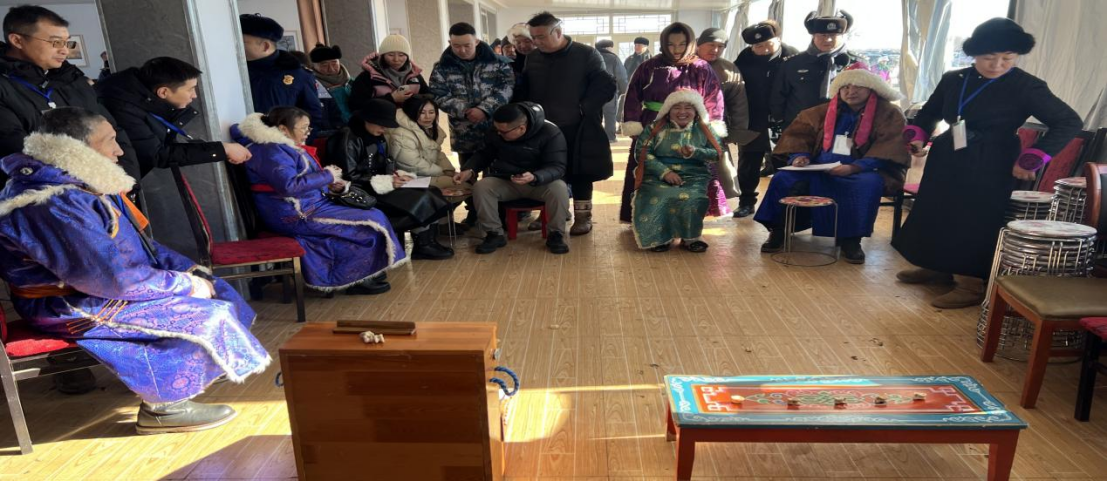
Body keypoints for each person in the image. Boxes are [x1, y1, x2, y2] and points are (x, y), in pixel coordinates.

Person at [0, 107, 270, 434]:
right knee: (202, 314)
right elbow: (108, 279)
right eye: (109, 141)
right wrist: (184, 286)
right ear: (76, 148)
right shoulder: (52, 201)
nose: (119, 151)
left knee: (216, 288)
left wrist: (190, 273)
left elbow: (143, 247)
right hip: (65, 303)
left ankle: (206, 364)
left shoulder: (79, 183)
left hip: (102, 287)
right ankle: (164, 409)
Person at [894, 18, 1082, 308]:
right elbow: (929, 112)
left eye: (1007, 58)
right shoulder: (954, 79)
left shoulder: (1027, 86)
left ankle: (969, 284)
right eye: (989, 57)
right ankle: (937, 266)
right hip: (948, 155)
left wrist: (1033, 158)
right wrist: (919, 136)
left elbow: (1069, 121)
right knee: (936, 210)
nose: (997, 65)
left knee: (973, 219)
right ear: (975, 54)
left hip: (992, 158)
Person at [232, 107, 406, 294]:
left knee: (374, 215)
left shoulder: (283, 146)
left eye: (309, 127)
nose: (308, 132)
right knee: (369, 222)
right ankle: (355, 277)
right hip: (293, 214)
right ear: (283, 129)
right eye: (303, 128)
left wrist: (331, 184)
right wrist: (327, 175)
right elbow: (289, 186)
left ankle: (365, 271)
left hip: (310, 206)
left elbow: (301, 182)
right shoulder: (270, 151)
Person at [756, 64, 909, 264]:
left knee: (866, 184)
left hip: (865, 169)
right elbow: (799, 136)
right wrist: (800, 156)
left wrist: (855, 167)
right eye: (845, 87)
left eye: (858, 87)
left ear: (871, 88)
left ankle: (851, 239)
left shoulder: (889, 113)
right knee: (783, 178)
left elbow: (890, 146)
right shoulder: (819, 111)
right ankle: (778, 230)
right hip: (817, 167)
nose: (851, 91)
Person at [1, 5, 139, 184]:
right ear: (17, 41)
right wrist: (89, 188)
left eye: (67, 43)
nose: (65, 50)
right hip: (54, 194)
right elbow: (18, 152)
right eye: (55, 42)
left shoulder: (72, 80)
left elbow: (112, 130)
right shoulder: (6, 88)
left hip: (108, 186)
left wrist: (127, 181)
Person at [515, 12, 616, 236]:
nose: (536, 42)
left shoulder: (586, 54)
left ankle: (583, 217)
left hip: (577, 125)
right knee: (547, 171)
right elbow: (527, 88)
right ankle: (552, 213)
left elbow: (605, 86)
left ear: (558, 32)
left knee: (581, 173)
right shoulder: (533, 57)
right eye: (533, 37)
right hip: (543, 128)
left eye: (541, 36)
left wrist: (585, 108)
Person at [620, 22, 726, 223]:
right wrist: (634, 124)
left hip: (691, 128)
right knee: (650, 168)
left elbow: (714, 99)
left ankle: (690, 220)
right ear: (663, 44)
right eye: (671, 44)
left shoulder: (702, 68)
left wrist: (711, 128)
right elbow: (632, 95)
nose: (676, 49)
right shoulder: (649, 67)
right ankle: (649, 218)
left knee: (692, 170)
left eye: (682, 44)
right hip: (654, 126)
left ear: (690, 43)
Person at [326, 99, 455, 260]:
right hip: (361, 190)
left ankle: (426, 241)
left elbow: (384, 164)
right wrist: (387, 181)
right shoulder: (347, 138)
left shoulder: (376, 135)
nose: (385, 129)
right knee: (422, 198)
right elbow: (347, 176)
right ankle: (423, 244)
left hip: (379, 184)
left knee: (432, 191)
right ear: (368, 119)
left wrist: (398, 176)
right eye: (382, 125)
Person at [96, 56, 253, 180]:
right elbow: (158, 154)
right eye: (190, 89)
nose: (194, 95)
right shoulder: (123, 108)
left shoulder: (136, 92)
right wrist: (222, 149)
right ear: (163, 92)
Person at [454, 103, 569, 255]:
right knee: (482, 187)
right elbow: (485, 154)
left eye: (503, 132)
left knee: (559, 188)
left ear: (521, 128)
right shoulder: (497, 131)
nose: (498, 133)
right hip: (507, 180)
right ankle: (494, 233)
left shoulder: (550, 132)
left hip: (539, 183)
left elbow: (557, 167)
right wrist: (470, 169)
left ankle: (556, 234)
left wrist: (535, 176)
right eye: (496, 129)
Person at [428, 22, 514, 226]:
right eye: (456, 46)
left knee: (496, 173)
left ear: (476, 41)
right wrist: (466, 110)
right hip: (463, 131)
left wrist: (484, 109)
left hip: (496, 129)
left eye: (467, 45)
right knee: (467, 173)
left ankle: (497, 215)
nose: (462, 50)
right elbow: (438, 94)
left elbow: (506, 89)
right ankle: (473, 212)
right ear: (450, 43)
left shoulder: (498, 63)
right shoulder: (442, 67)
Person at [631, 90, 725, 253]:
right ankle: (659, 237)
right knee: (661, 195)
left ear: (696, 111)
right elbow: (642, 153)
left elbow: (717, 153)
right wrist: (664, 172)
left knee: (692, 197)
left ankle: (691, 237)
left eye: (688, 108)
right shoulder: (654, 128)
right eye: (676, 107)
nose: (682, 112)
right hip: (657, 175)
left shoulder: (705, 129)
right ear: (668, 110)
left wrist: (695, 152)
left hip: (694, 175)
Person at [734, 21, 798, 217]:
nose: (762, 50)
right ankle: (746, 202)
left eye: (767, 44)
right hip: (753, 119)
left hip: (784, 120)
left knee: (784, 163)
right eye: (757, 46)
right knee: (748, 163)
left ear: (778, 39)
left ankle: (783, 204)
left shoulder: (792, 56)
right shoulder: (744, 59)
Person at [770, 11, 862, 133]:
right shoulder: (793, 64)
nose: (828, 39)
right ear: (813, 36)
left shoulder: (856, 64)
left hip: (842, 129)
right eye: (822, 35)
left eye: (833, 35)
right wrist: (782, 123)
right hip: (800, 128)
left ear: (842, 36)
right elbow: (778, 97)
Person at [697, 28, 757, 207]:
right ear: (699, 44)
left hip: (714, 128)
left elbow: (738, 103)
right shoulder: (683, 64)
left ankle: (711, 206)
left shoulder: (728, 69)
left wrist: (737, 130)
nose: (715, 50)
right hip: (681, 127)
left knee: (715, 172)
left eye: (720, 46)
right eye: (711, 45)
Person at [240, 13, 324, 129]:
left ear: (265, 46)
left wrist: (293, 140)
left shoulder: (299, 75)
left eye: (242, 42)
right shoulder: (232, 73)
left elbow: (312, 116)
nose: (235, 46)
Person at [386, 95, 464, 191]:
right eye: (422, 113)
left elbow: (437, 153)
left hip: (427, 173)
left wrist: (449, 171)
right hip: (408, 177)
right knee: (457, 186)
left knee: (461, 183)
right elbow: (413, 165)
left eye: (431, 112)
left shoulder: (429, 128)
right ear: (412, 112)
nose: (427, 117)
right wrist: (442, 173)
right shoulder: (402, 134)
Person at [349, 34, 428, 111]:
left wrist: (413, 99)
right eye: (391, 55)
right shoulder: (367, 77)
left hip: (411, 118)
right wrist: (391, 98)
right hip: (380, 119)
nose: (396, 59)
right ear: (382, 56)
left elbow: (428, 96)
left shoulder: (414, 75)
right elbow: (355, 105)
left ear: (407, 57)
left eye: (401, 55)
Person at [310, 44, 355, 127]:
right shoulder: (311, 86)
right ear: (314, 66)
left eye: (334, 64)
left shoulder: (352, 82)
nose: (331, 69)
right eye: (324, 65)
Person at [595, 40, 629, 143]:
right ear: (608, 47)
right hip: (608, 92)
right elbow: (621, 77)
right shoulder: (613, 58)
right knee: (610, 115)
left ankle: (595, 137)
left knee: (594, 116)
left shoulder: (590, 57)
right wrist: (625, 91)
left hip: (591, 93)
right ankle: (610, 137)